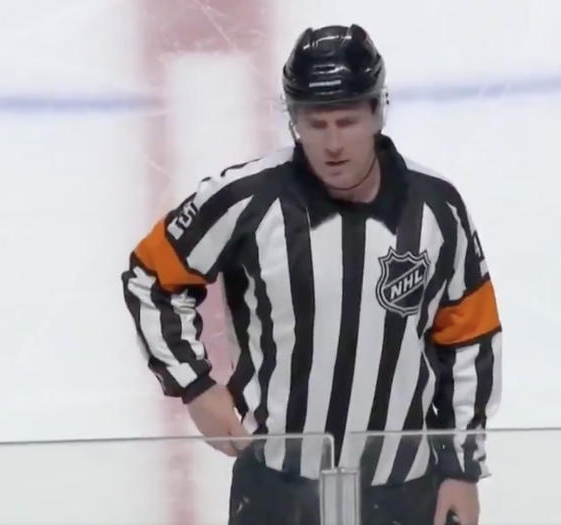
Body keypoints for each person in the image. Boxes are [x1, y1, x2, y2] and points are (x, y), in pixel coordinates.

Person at [121, 23, 502, 525]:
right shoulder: (247, 199)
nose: (333, 143)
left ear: (377, 111)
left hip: (402, 489)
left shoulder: (437, 208)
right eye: (315, 123)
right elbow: (152, 275)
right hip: (278, 488)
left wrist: (460, 469)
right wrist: (193, 384)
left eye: (346, 121)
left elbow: (469, 338)